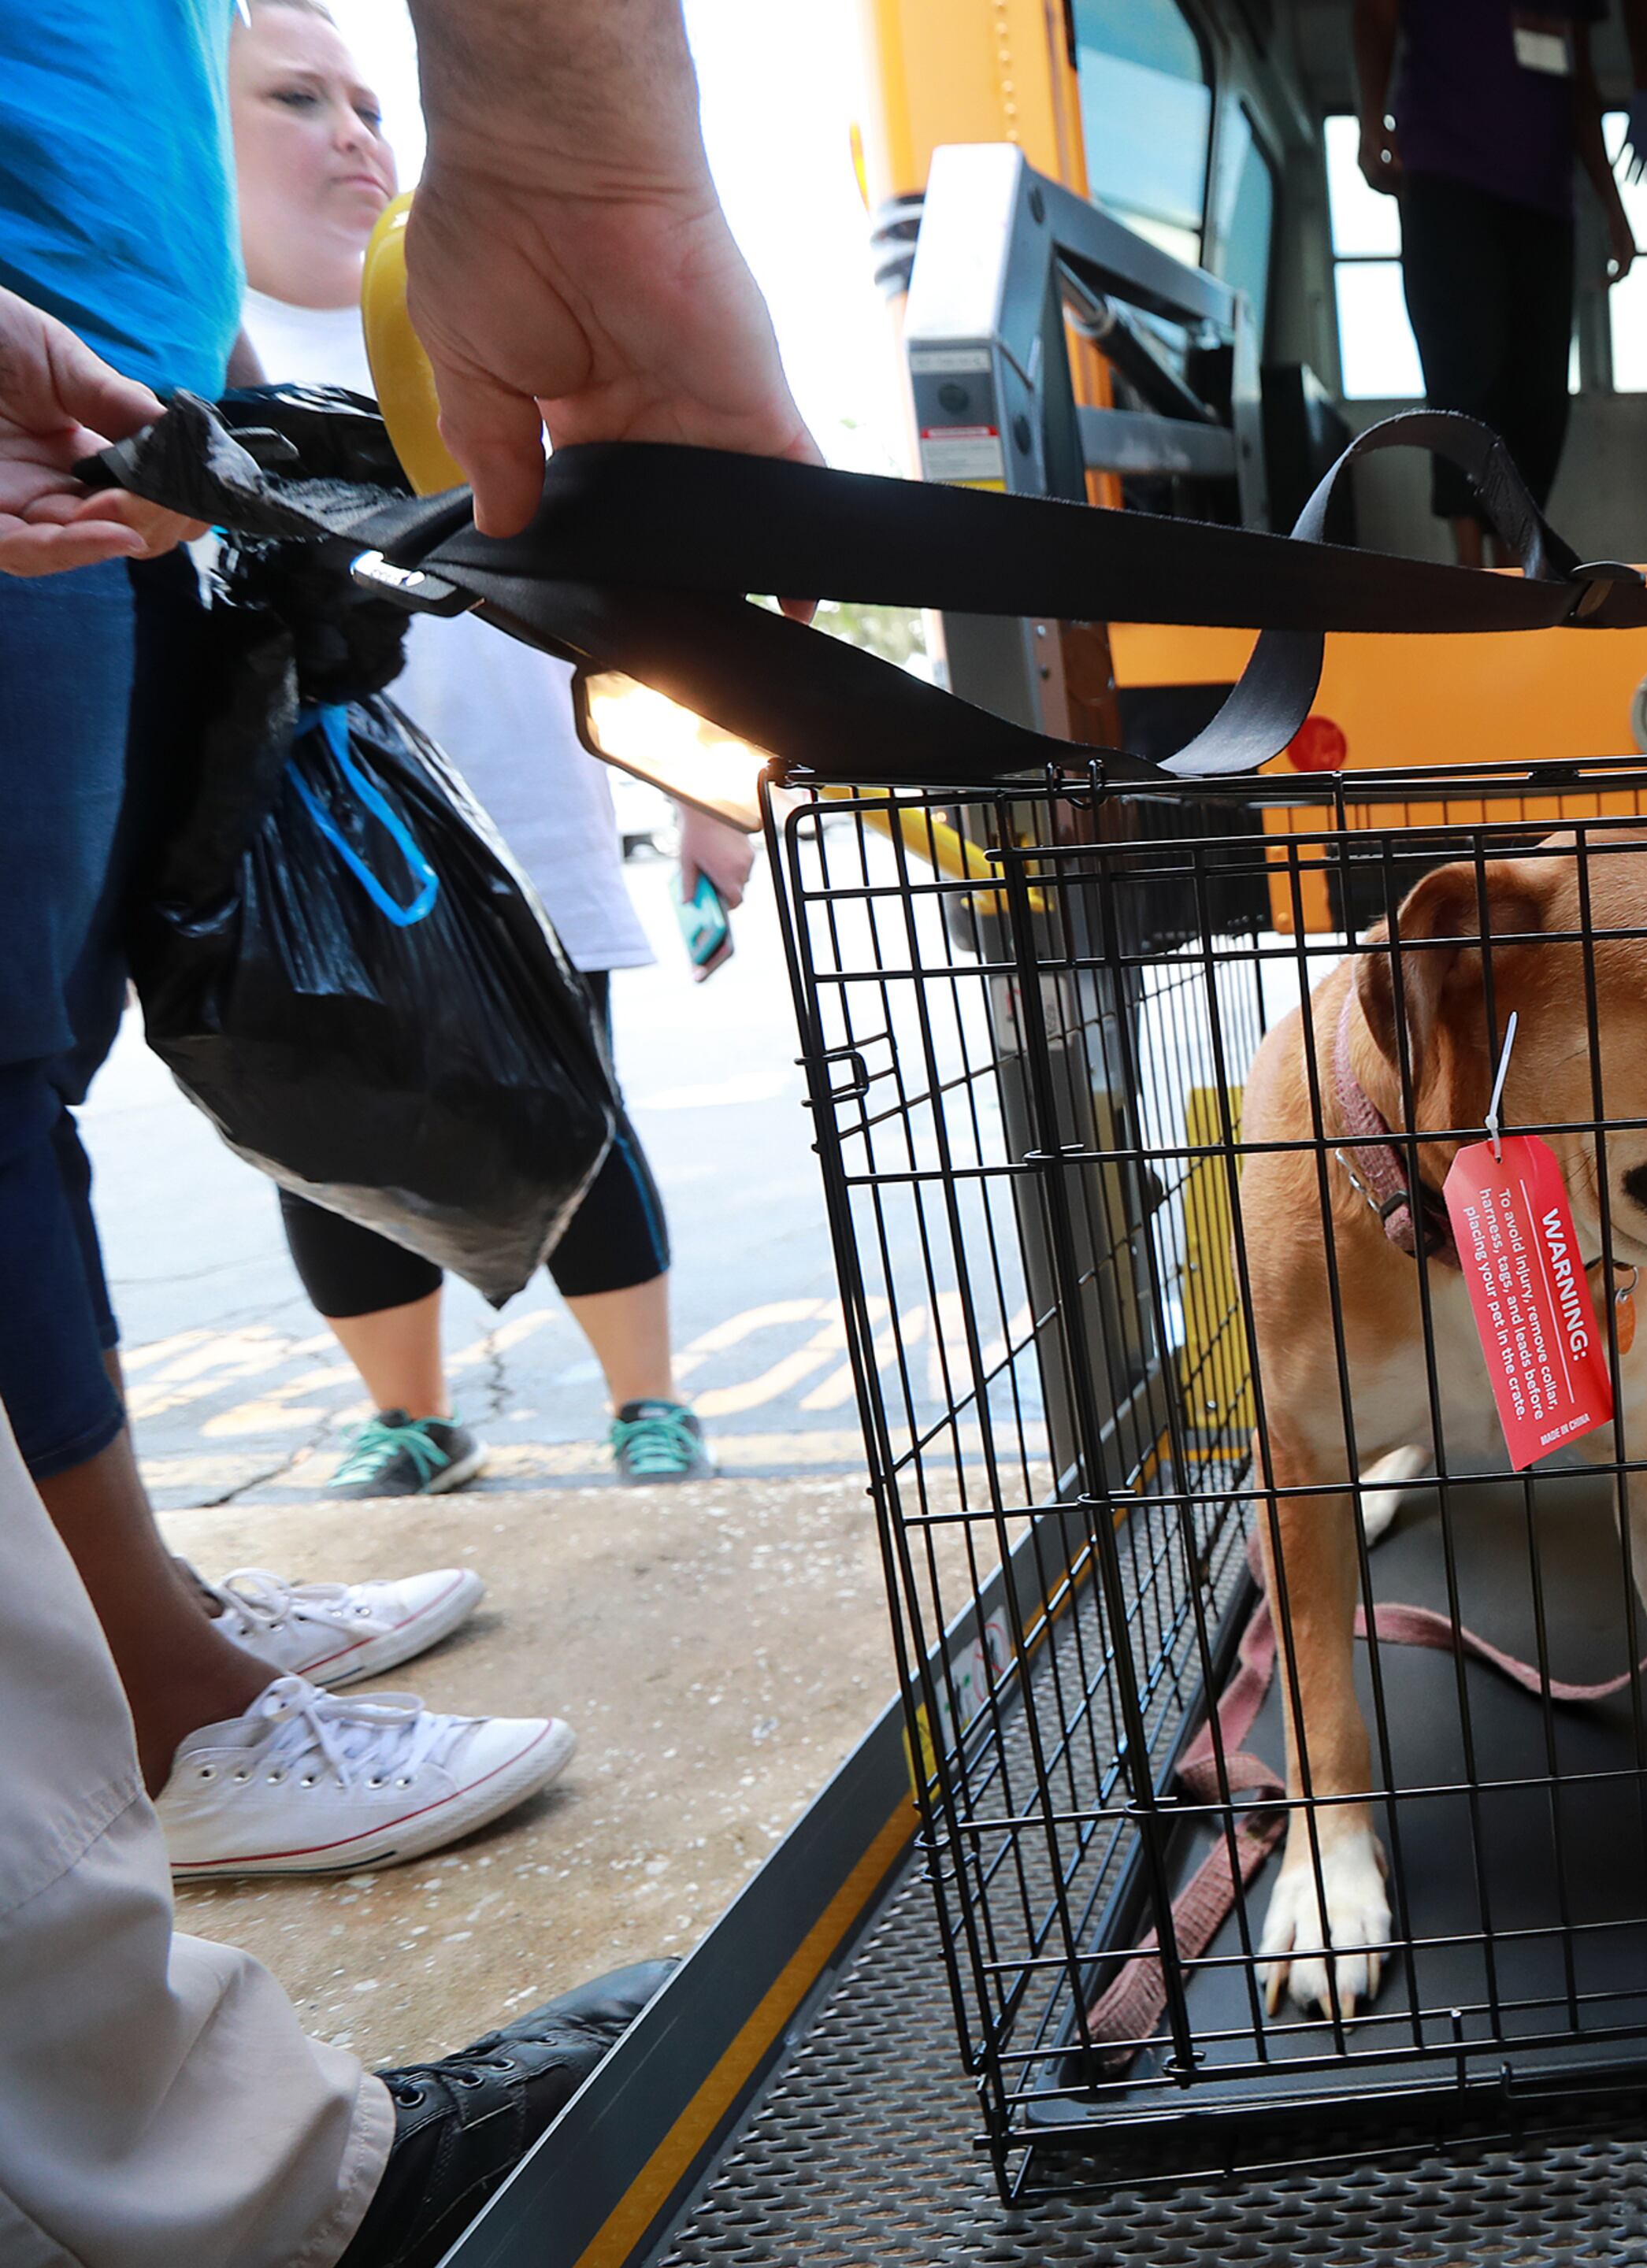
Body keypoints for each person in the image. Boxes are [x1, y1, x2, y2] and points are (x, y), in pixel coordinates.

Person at [0, 0, 815, 2255]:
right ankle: (172, 1846)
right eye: (305, 100)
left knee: (24, 1083)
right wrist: (580, 129)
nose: (349, 133)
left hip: (74, 439)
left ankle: (133, 1638)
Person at [4, 2, 576, 1884]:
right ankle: (167, 1710)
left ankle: (124, 1593)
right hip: (32, 435)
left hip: (119, 434)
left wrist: (238, 421)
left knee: (50, 1063)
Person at [229, 0, 745, 1497]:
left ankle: (647, 1401)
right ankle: (410, 1415)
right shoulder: (192, 348)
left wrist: (706, 798)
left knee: (566, 1101)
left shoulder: (451, 300)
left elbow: (617, 587)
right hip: (300, 828)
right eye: (296, 101)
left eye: (370, 104)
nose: (353, 133)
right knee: (322, 1120)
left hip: (517, 812)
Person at [1353, 0, 1641, 565]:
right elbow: (1375, 13)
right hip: (1448, 179)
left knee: (1538, 396)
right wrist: (1369, 120)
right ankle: (1470, 575)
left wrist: (1611, 202)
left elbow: (1580, 81)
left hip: (1545, 198)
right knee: (1466, 374)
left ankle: (1515, 569)